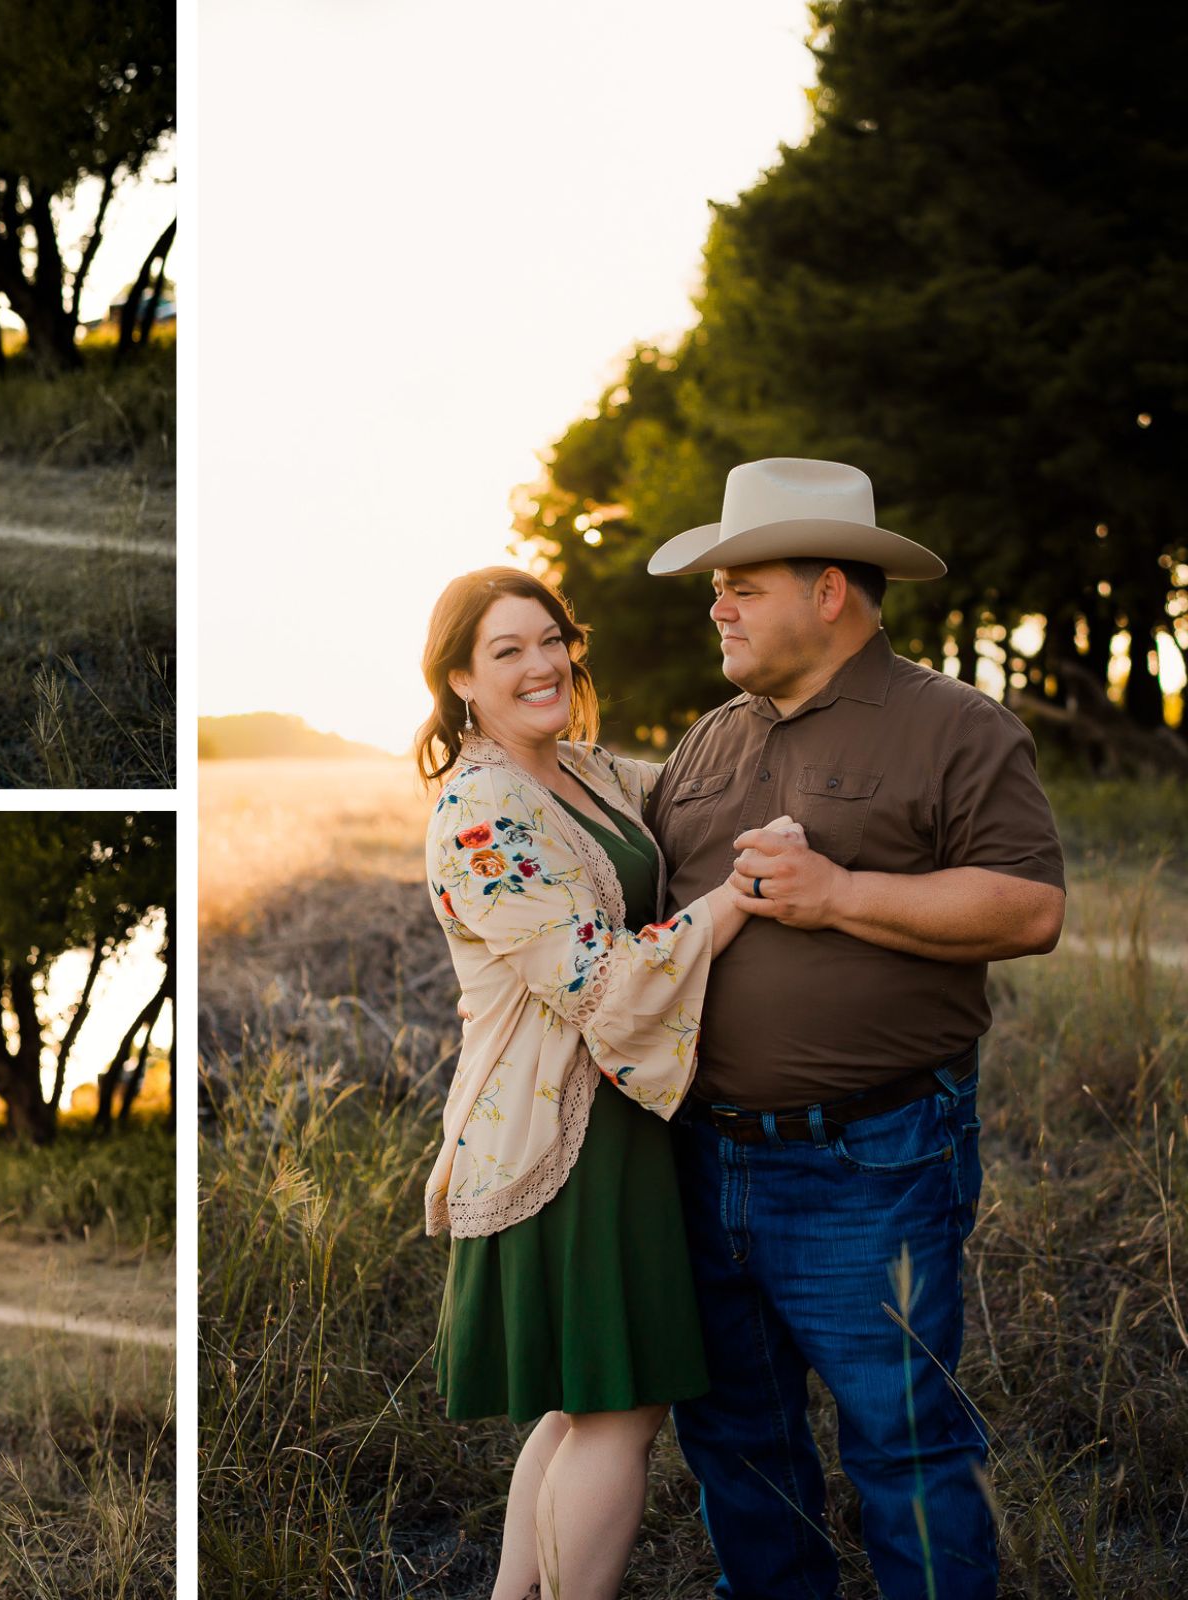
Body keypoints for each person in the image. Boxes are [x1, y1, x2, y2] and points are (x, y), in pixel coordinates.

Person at [642, 457, 1066, 1599]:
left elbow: (1028, 908)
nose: (716, 606)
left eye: (740, 583)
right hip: (698, 1155)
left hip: (868, 1161)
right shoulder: (705, 742)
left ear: (828, 590)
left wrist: (836, 893)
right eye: (712, 586)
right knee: (735, 1442)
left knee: (904, 1446)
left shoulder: (953, 727)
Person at [418, 566, 773, 1600]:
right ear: (458, 680)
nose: (540, 666)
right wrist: (736, 899)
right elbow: (599, 979)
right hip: (556, 1136)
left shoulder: (583, 771)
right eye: (505, 651)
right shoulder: (478, 808)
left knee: (584, 1405)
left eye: (549, 639)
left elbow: (701, 791)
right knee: (617, 1412)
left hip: (617, 1122)